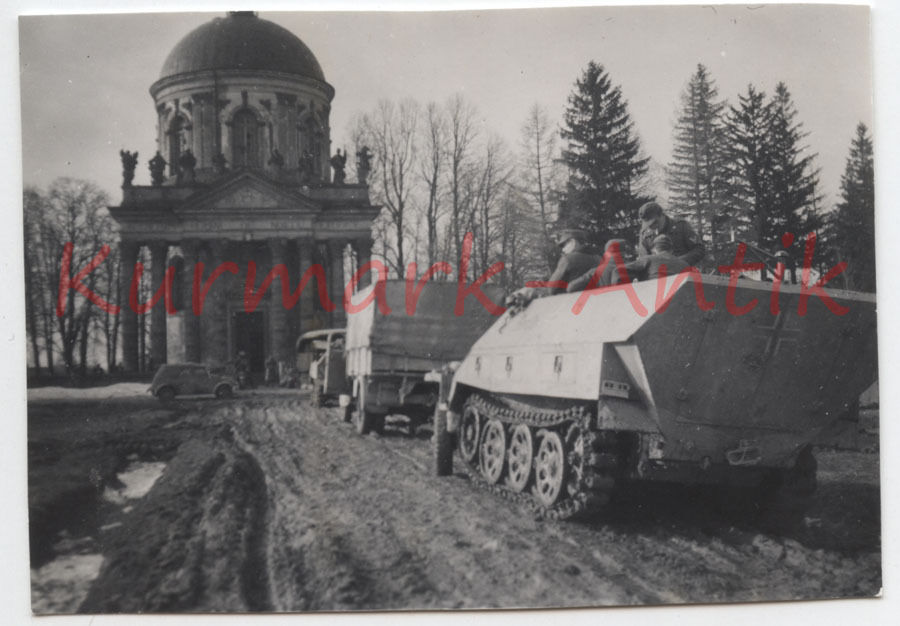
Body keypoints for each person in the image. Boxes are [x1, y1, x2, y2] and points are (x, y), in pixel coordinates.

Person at [636, 201, 705, 265]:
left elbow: (699, 250)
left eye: (655, 222)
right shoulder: (645, 234)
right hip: (657, 274)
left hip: (682, 272)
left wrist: (676, 262)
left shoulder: (680, 226)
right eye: (648, 225)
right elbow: (643, 260)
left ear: (662, 215)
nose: (652, 227)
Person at [567, 238, 635, 292]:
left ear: (606, 254)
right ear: (623, 253)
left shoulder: (595, 272)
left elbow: (570, 287)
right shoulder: (632, 267)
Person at [624, 234, 689, 281]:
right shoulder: (685, 264)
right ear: (672, 250)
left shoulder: (647, 259)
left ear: (654, 250)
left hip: (653, 297)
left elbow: (620, 270)